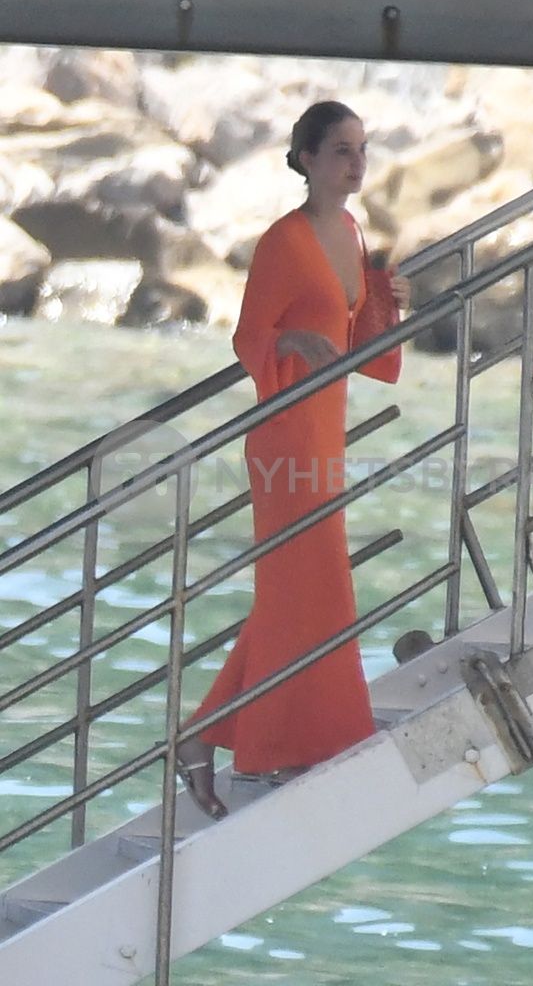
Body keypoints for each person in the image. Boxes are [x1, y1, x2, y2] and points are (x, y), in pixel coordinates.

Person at [176, 100, 411, 819]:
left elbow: (365, 345)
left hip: (325, 426)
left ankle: (204, 737)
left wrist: (387, 300)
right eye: (342, 150)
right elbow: (251, 334)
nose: (356, 163)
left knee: (297, 593)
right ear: (307, 157)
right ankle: (291, 743)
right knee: (310, 588)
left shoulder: (351, 230)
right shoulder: (284, 239)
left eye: (362, 150)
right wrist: (288, 346)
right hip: (283, 430)